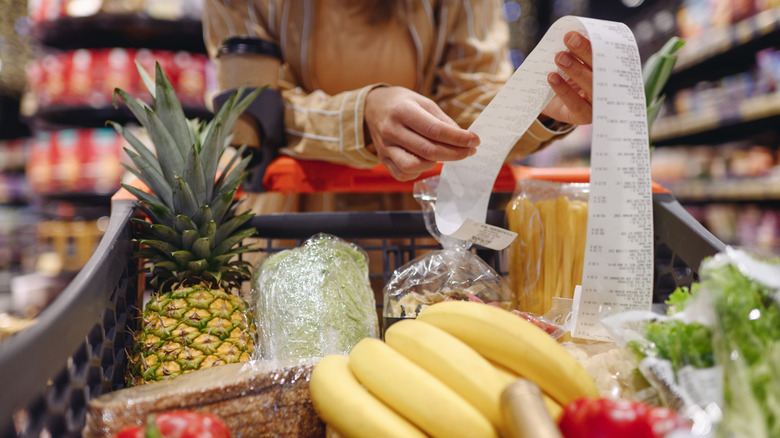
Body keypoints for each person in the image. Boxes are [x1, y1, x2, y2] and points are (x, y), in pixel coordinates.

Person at [202, 0, 592, 185]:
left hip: (426, 230)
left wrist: (541, 106)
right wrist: (362, 115)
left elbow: (470, 95)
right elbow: (250, 110)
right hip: (291, 223)